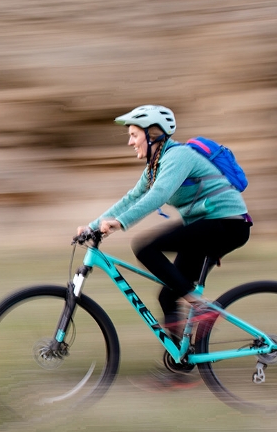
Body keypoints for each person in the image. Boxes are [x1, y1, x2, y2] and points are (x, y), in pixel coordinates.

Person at [77, 105, 252, 388]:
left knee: (145, 247)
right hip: (205, 225)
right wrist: (93, 226)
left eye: (134, 135)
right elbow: (131, 198)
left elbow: (158, 196)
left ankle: (201, 307)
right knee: (168, 297)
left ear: (153, 134)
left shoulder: (178, 156)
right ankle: (181, 368)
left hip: (226, 223)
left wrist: (120, 224)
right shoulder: (155, 166)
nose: (130, 141)